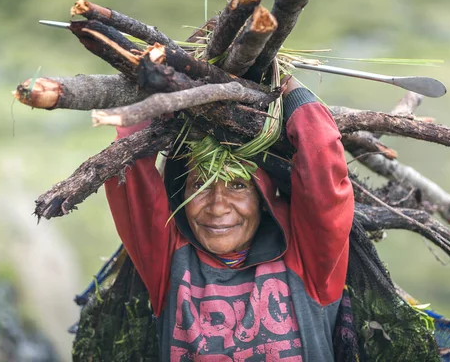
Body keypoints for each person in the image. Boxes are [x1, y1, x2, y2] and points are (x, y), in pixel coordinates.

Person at [104, 77, 355, 361]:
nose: (217, 208)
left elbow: (323, 172)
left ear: (263, 198)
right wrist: (173, 89)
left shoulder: (307, 258)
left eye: (237, 185)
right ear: (180, 193)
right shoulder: (167, 258)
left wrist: (291, 90)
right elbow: (127, 162)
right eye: (200, 185)